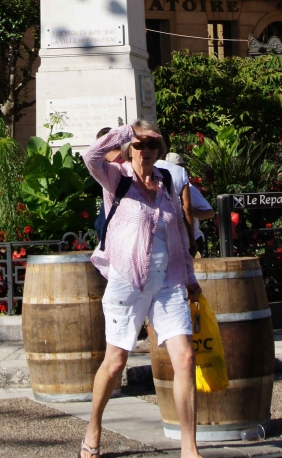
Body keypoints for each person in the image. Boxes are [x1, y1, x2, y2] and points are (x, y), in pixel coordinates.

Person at [81, 120, 202, 458]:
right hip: (128, 282)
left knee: (185, 358)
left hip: (168, 281)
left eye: (152, 145)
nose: (146, 151)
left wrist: (189, 276)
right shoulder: (116, 179)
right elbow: (91, 157)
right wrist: (125, 133)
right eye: (140, 145)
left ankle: (189, 448)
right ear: (130, 149)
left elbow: (177, 231)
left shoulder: (165, 182)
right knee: (115, 363)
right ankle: (94, 424)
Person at [157, 151, 197, 255]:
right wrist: (191, 238)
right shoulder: (180, 171)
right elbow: (187, 207)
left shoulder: (142, 168)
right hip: (174, 224)